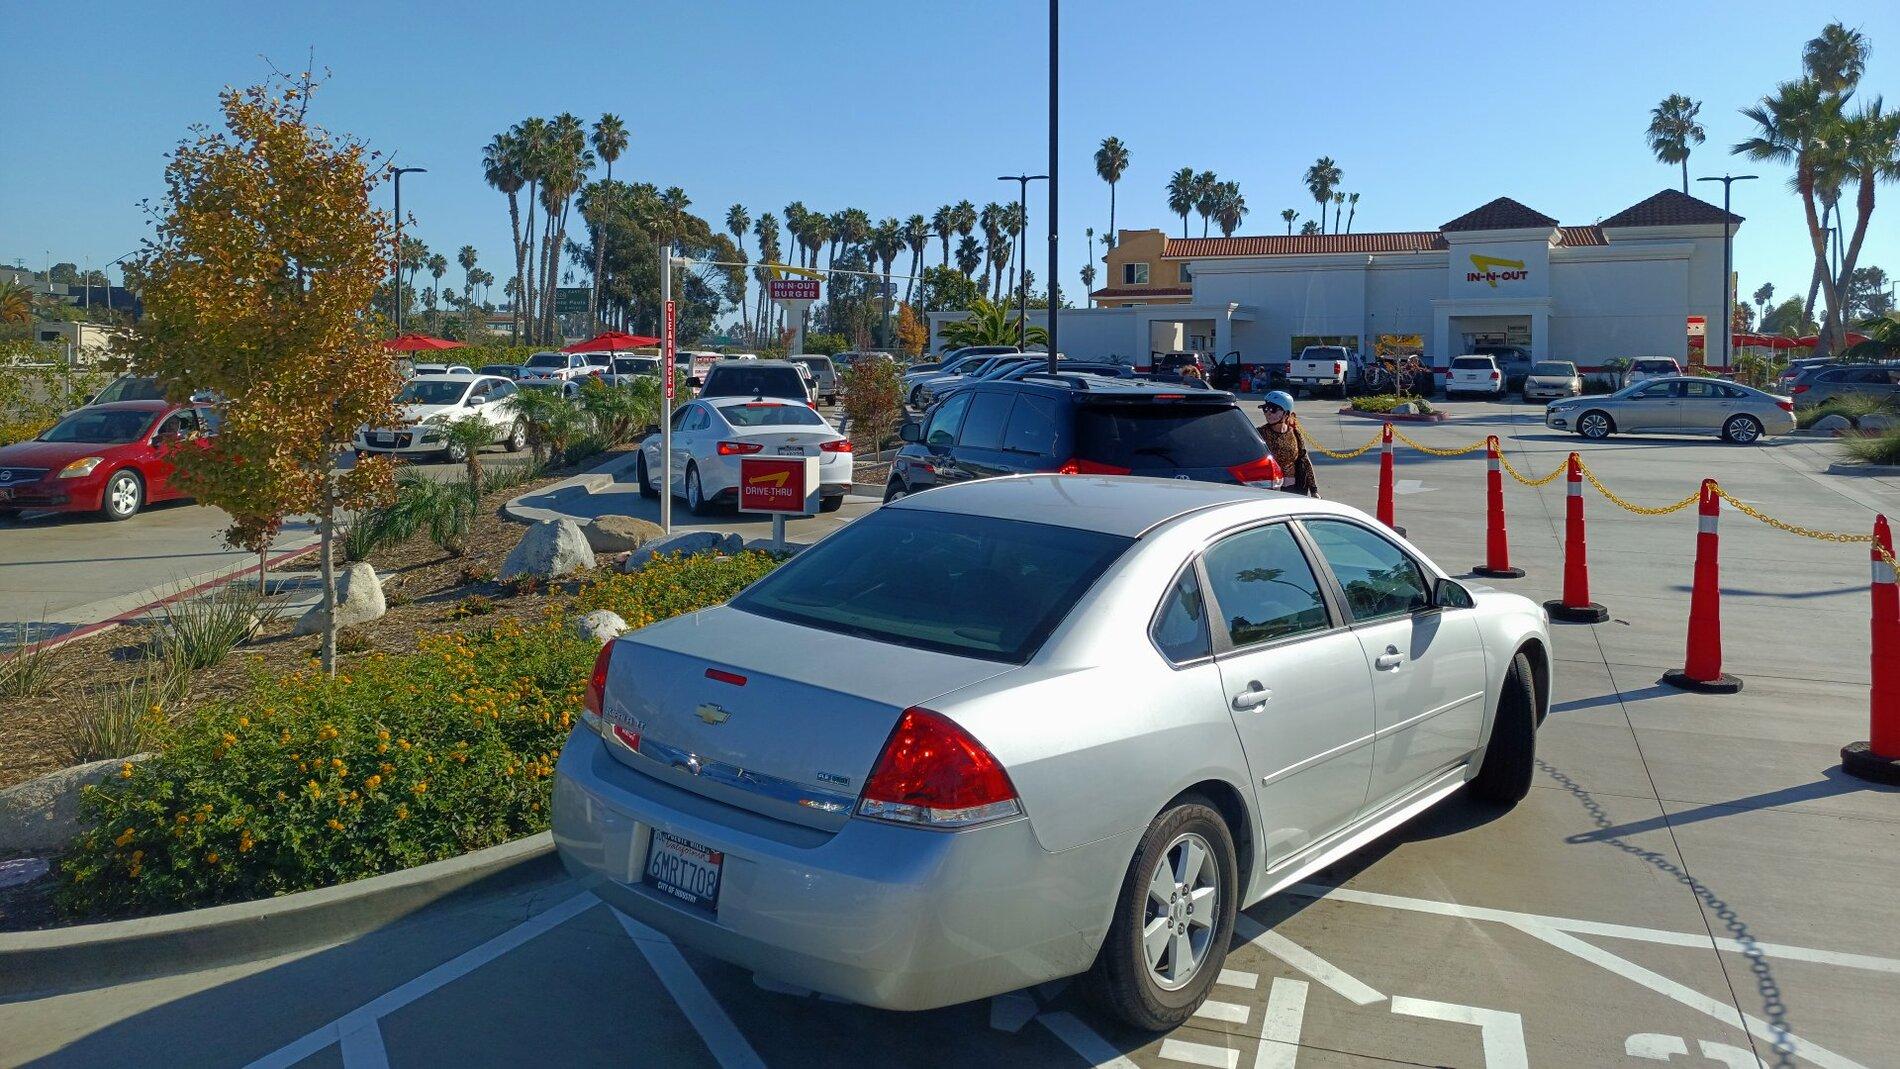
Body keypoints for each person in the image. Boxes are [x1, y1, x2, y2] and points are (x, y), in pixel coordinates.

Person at [1256, 390, 1319, 497]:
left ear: (1286, 413)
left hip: (1293, 488)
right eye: (1265, 409)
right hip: (1269, 490)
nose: (1268, 413)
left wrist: (1314, 490)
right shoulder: (1259, 433)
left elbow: (1304, 460)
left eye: (1273, 409)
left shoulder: (1294, 433)